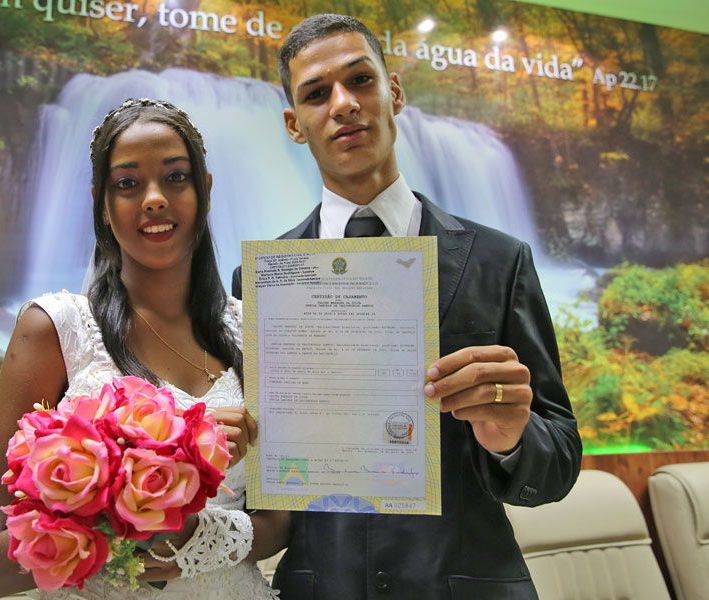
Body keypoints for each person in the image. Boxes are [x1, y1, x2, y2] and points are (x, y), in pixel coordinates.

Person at [231, 14, 582, 599]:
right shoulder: (259, 282)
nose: (343, 104)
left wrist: (513, 437)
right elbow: (259, 484)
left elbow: (560, 461)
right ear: (295, 124)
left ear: (393, 92)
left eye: (360, 80)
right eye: (316, 94)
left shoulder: (500, 260)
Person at [0, 98, 289, 600]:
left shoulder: (259, 331)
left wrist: (198, 540)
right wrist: (140, 484)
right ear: (101, 202)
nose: (155, 199)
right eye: (127, 184)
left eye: (176, 177)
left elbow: (278, 523)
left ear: (205, 191)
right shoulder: (55, 330)